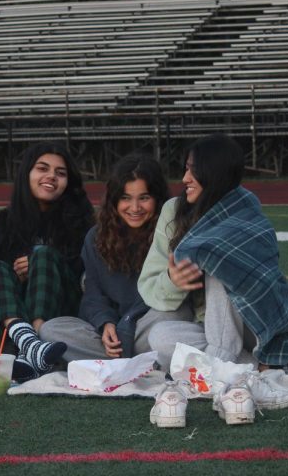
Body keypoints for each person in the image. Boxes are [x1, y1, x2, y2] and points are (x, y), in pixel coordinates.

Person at [138, 134, 288, 377]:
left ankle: (220, 363)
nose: (184, 179)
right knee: (160, 336)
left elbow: (264, 276)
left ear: (214, 172)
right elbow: (148, 287)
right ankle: (261, 367)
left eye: (193, 171)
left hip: (256, 323)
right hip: (207, 327)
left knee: (221, 262)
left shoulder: (245, 206)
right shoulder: (173, 210)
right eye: (186, 169)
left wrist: (214, 257)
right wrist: (173, 280)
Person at [40, 154, 193, 361]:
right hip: (117, 332)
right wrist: (105, 324)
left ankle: (121, 360)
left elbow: (163, 297)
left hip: (149, 325)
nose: (135, 208)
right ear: (113, 200)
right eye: (126, 198)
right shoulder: (96, 237)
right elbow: (93, 292)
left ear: (157, 200)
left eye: (144, 198)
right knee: (51, 330)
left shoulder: (170, 233)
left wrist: (126, 327)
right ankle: (137, 360)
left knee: (175, 317)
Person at [0, 141, 94, 379]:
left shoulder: (81, 222)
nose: (51, 176)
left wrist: (43, 264)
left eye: (60, 173)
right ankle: (31, 344)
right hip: (18, 308)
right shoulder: (3, 222)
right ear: (27, 174)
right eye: (43, 168)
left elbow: (84, 276)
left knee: (42, 255)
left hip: (63, 308)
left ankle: (30, 342)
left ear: (68, 182)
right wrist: (19, 275)